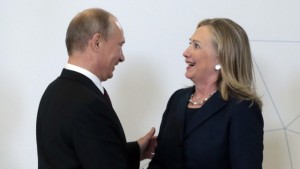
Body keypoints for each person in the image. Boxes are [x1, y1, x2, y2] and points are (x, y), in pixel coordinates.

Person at [36, 8, 156, 169]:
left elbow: (85, 153)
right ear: (97, 42)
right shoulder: (89, 104)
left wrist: (136, 150)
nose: (122, 57)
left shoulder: (53, 91)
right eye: (119, 46)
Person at [148, 18, 264, 169]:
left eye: (196, 45)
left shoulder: (242, 108)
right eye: (189, 43)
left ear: (221, 57)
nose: (186, 52)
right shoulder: (177, 99)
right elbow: (159, 162)